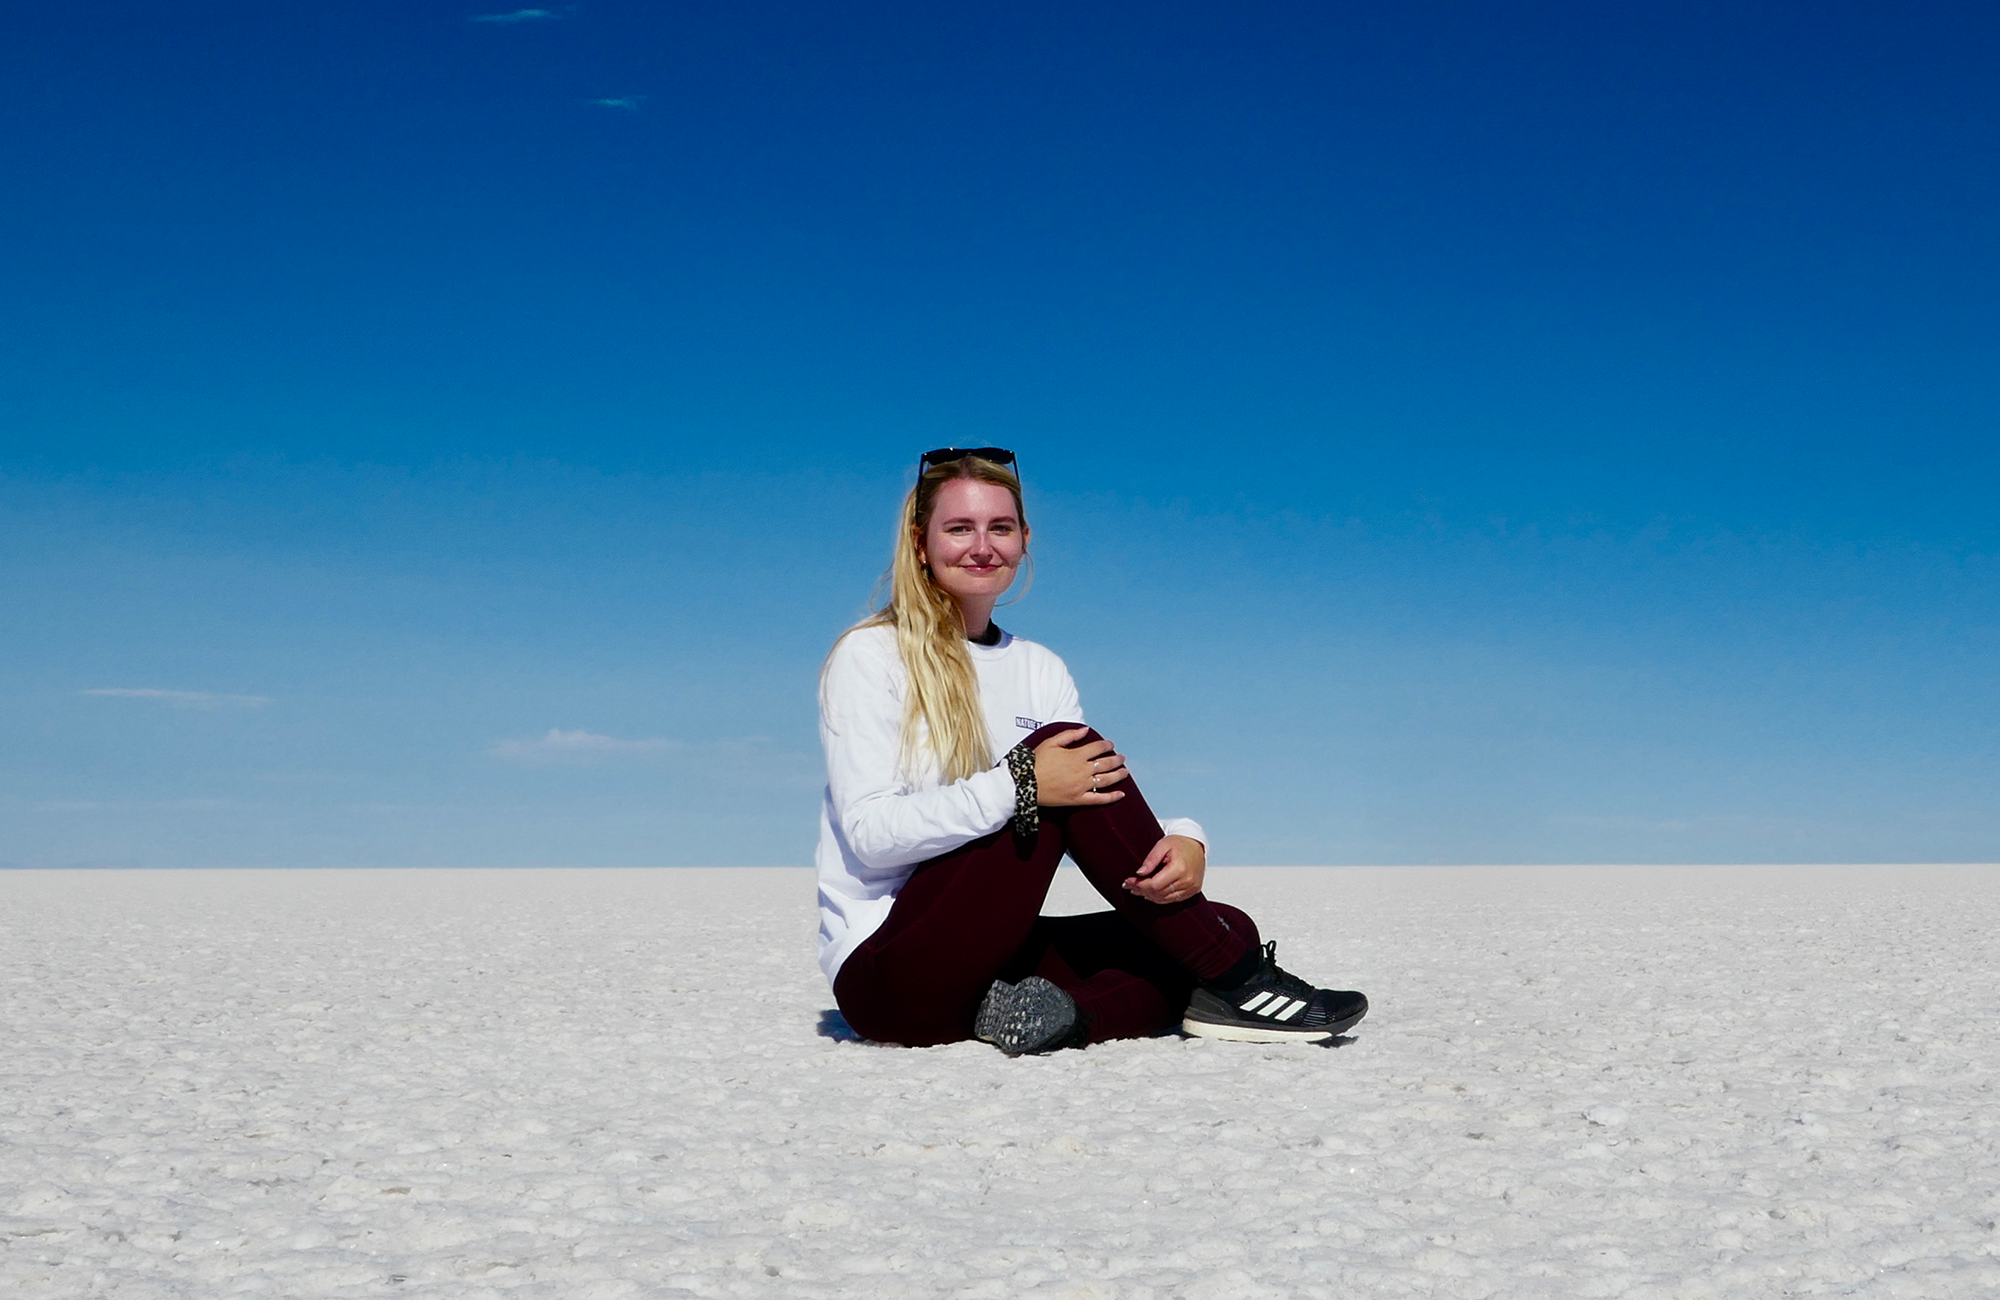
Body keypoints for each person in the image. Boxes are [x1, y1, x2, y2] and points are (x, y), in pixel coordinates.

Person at [815, 447, 1367, 1055]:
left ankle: (1065, 1018)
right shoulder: (871, 656)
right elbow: (869, 834)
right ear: (921, 542)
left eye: (1001, 528)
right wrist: (1023, 782)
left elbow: (1090, 809)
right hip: (891, 973)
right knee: (1062, 755)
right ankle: (1245, 983)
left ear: (1024, 539)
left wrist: (1185, 840)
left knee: (1227, 926)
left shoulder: (1040, 668)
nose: (983, 547)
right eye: (960, 528)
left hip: (990, 954)